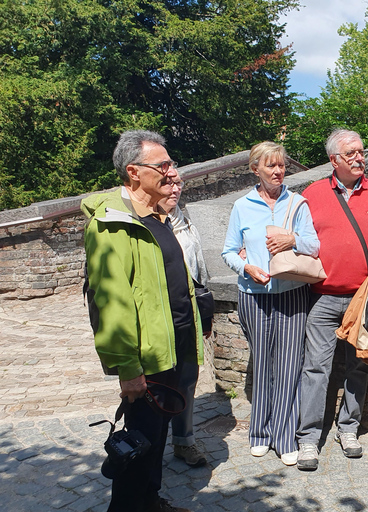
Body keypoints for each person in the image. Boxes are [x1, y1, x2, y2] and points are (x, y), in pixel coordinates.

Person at [81, 130, 205, 512]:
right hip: (146, 358)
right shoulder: (111, 225)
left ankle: (150, 500)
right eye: (162, 165)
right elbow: (112, 303)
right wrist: (128, 369)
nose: (171, 172)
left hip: (174, 347)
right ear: (133, 172)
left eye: (171, 164)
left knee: (156, 436)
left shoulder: (157, 216)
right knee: (140, 442)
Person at [295, 129, 368, 471]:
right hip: (322, 298)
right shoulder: (312, 194)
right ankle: (308, 438)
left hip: (366, 299)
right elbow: (296, 240)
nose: (360, 158)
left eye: (361, 152)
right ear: (334, 161)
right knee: (315, 368)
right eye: (351, 154)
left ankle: (348, 429)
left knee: (361, 365)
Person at [221, 141, 320, 466]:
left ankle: (284, 435)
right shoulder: (242, 206)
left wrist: (292, 239)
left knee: (291, 366)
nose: (278, 171)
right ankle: (260, 434)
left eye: (281, 165)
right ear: (256, 170)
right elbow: (228, 251)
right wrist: (245, 267)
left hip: (292, 294)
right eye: (271, 166)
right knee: (262, 365)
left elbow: (314, 247)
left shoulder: (298, 203)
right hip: (253, 296)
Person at [158, 177, 210, 468]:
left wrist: (206, 313)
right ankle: (146, 442)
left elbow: (200, 270)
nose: (175, 189)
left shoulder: (185, 224)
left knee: (187, 379)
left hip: (187, 314)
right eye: (168, 184)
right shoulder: (145, 225)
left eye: (178, 184)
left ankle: (184, 442)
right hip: (158, 316)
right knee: (155, 383)